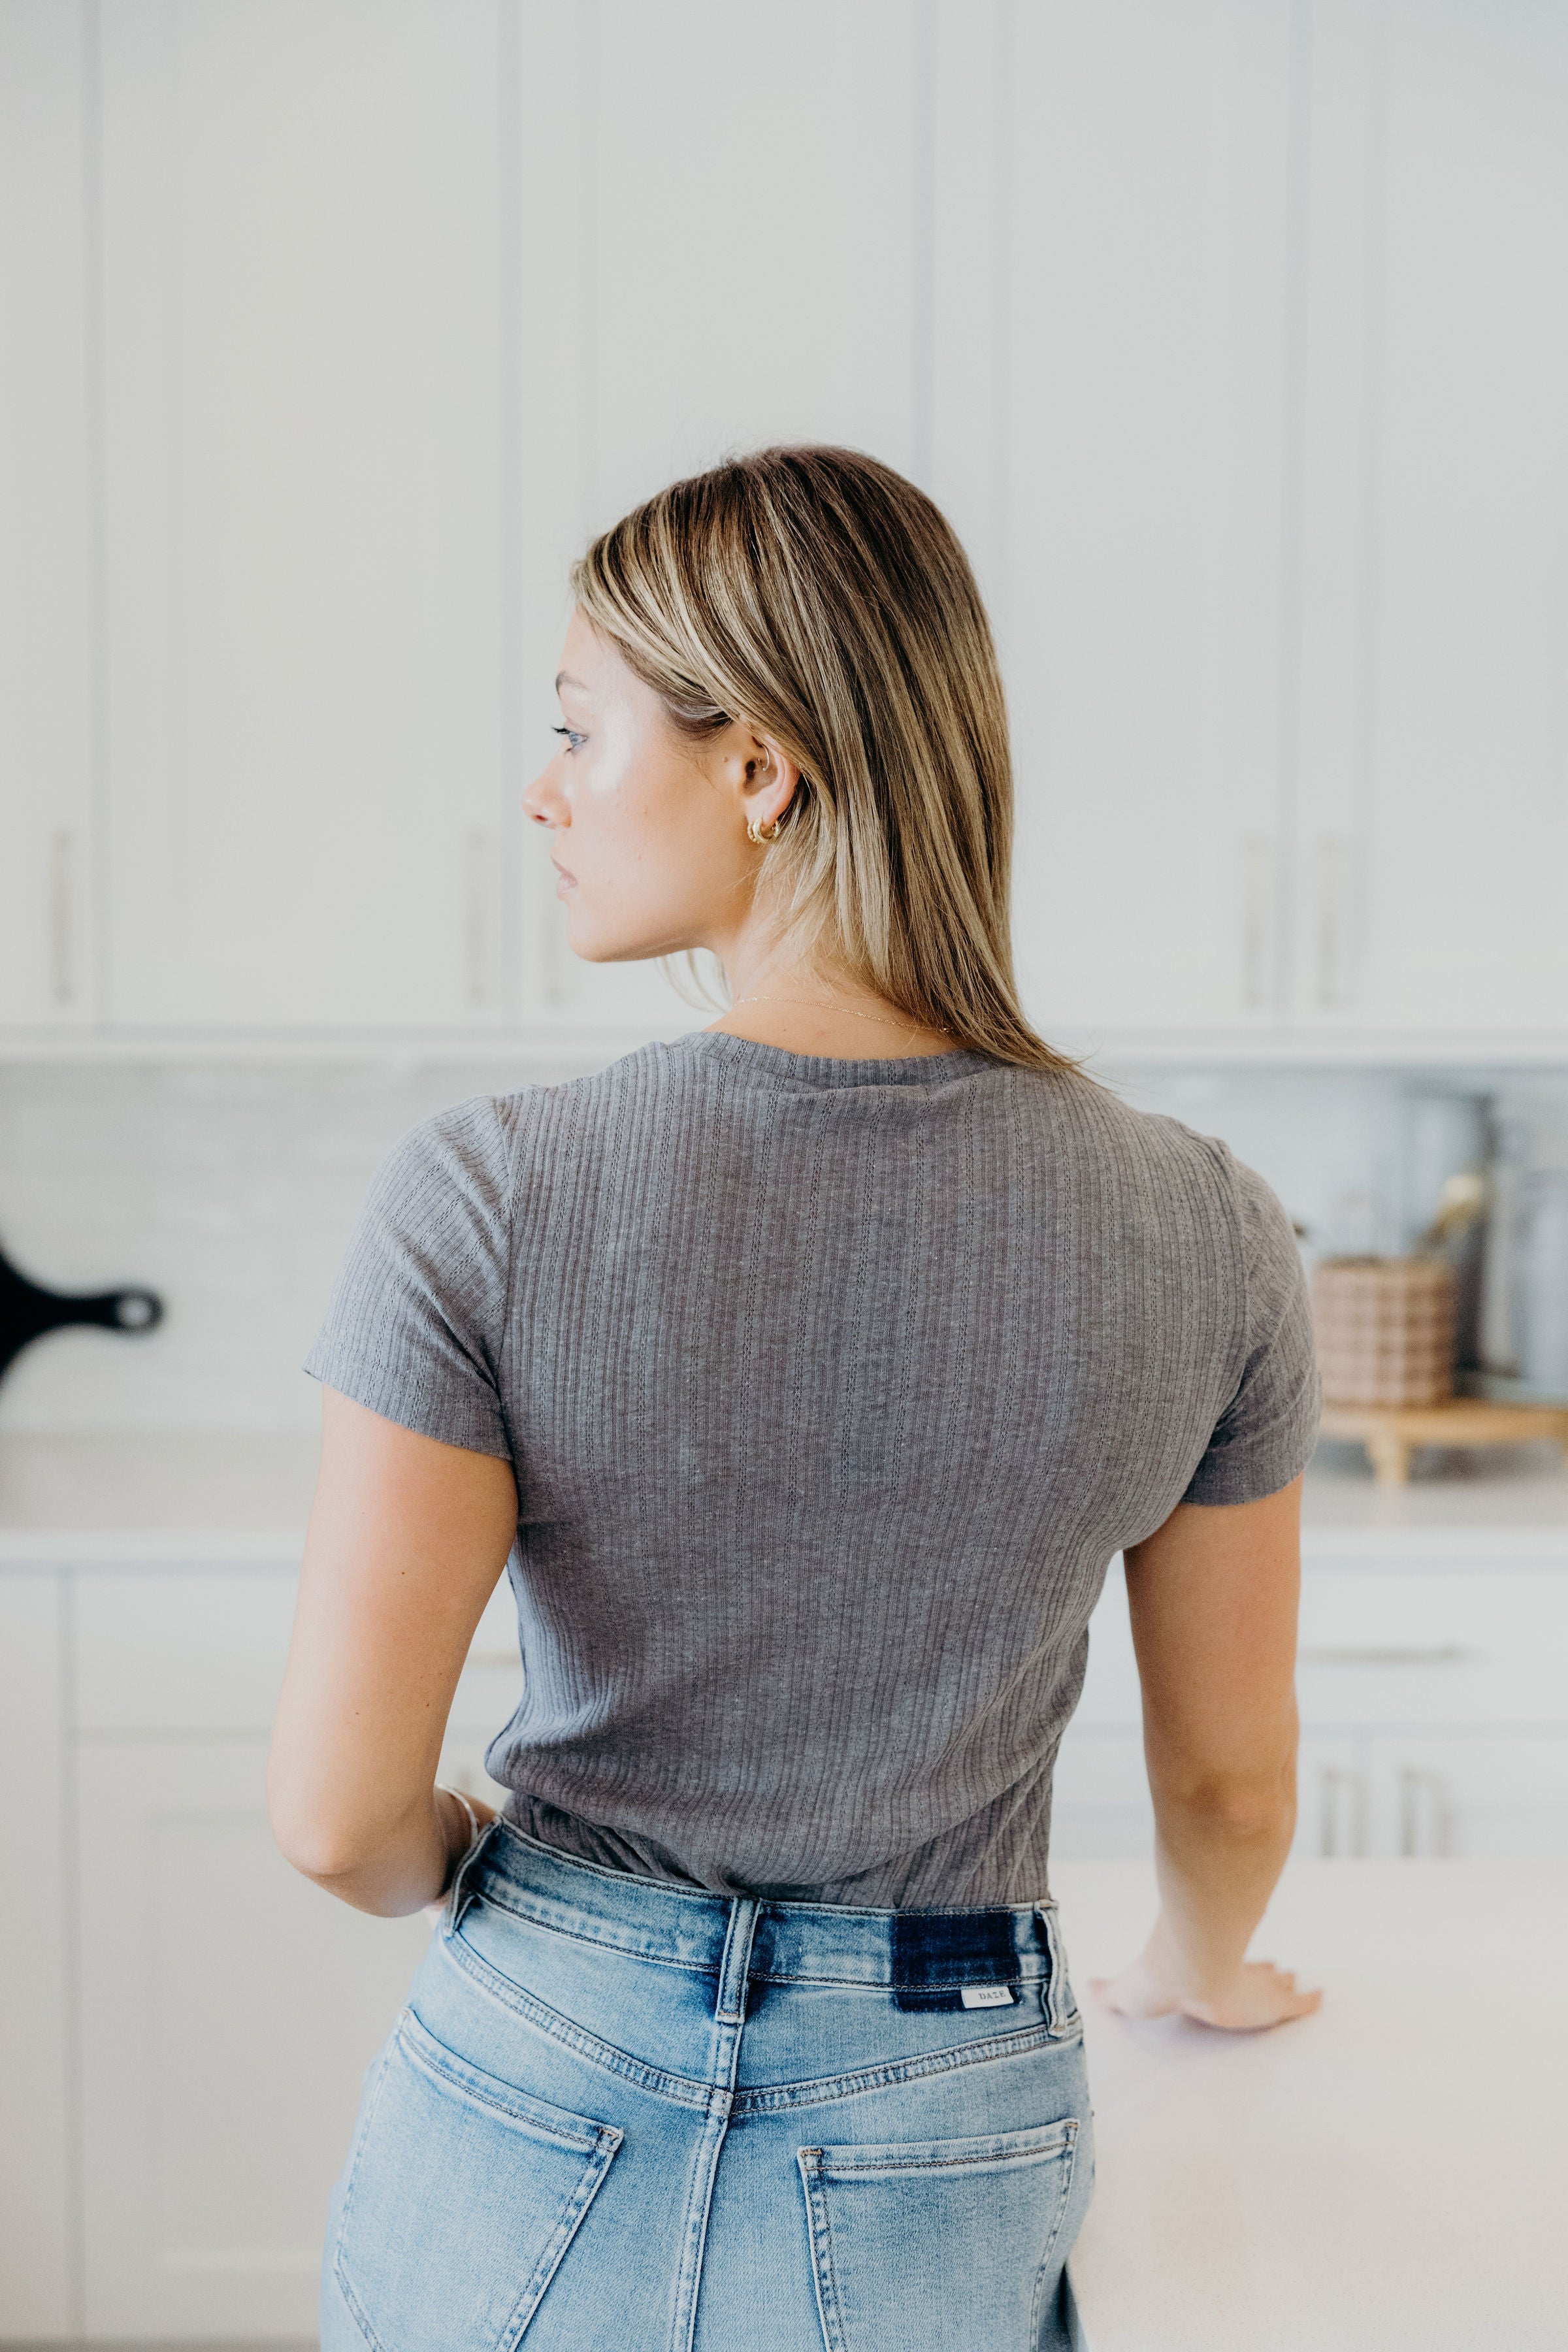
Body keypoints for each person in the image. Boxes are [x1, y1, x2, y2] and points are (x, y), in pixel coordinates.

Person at [268, 446, 1321, 2352]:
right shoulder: (1212, 1230)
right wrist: (1207, 1967)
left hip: (535, 2068)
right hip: (939, 2095)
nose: (542, 789)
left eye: (580, 732)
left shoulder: (488, 1193)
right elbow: (1231, 1779)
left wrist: (525, 1905)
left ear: (760, 768)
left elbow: (340, 1822)